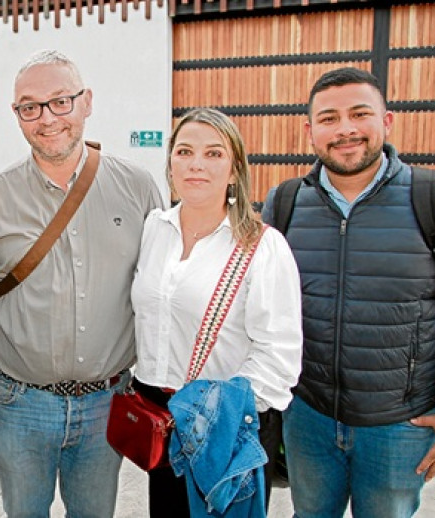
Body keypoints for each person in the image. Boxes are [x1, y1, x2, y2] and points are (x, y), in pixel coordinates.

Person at [262, 67, 435, 518]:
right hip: (308, 415)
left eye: (360, 114)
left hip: (400, 424)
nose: (346, 130)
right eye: (329, 118)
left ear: (387, 121)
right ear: (309, 130)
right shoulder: (285, 202)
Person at [0, 49, 163, 517]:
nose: (46, 118)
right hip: (19, 404)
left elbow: (158, 291)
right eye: (30, 107)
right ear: (17, 115)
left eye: (60, 102)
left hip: (106, 402)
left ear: (86, 102)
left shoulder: (138, 187)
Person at [131, 107, 303, 516]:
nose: (196, 165)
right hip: (161, 418)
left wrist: (213, 411)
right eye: (185, 151)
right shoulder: (155, 228)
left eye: (213, 154)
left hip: (222, 424)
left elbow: (280, 359)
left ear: (235, 169)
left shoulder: (262, 245)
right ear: (170, 163)